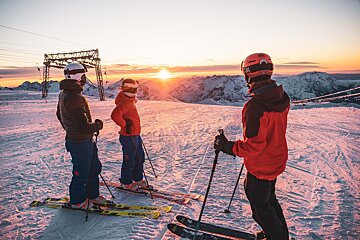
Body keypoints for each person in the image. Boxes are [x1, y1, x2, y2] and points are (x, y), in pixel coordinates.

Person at [214, 53, 290, 240]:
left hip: (261, 165)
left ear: (248, 74)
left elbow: (254, 147)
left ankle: (277, 237)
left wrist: (226, 146)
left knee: (260, 209)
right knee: (269, 201)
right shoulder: (281, 97)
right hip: (275, 159)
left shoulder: (255, 106)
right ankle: (277, 234)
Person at [56, 62, 108, 209]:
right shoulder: (73, 97)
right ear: (79, 76)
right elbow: (83, 126)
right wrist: (97, 126)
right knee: (82, 171)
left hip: (82, 140)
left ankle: (92, 195)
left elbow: (59, 115)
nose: (85, 78)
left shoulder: (66, 94)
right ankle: (78, 201)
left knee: (94, 167)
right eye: (84, 75)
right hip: (79, 143)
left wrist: (69, 128)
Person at [111, 79, 148, 192]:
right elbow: (115, 115)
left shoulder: (129, 100)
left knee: (139, 157)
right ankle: (126, 182)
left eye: (135, 89)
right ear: (128, 89)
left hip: (135, 134)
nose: (135, 91)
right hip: (128, 136)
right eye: (133, 89)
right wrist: (125, 125)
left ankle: (137, 179)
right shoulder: (125, 102)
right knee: (129, 159)